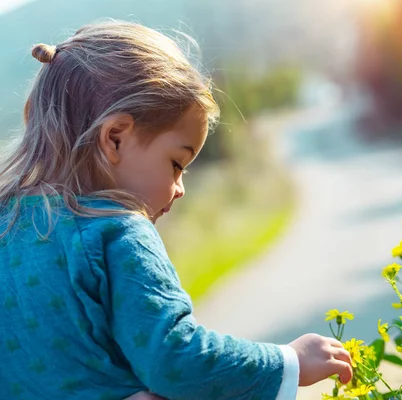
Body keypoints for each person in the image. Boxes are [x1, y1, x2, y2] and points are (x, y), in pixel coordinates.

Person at [0, 20, 352, 400]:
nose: (181, 188)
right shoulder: (116, 233)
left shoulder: (8, 223)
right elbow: (175, 359)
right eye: (176, 164)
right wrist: (288, 362)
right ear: (115, 138)